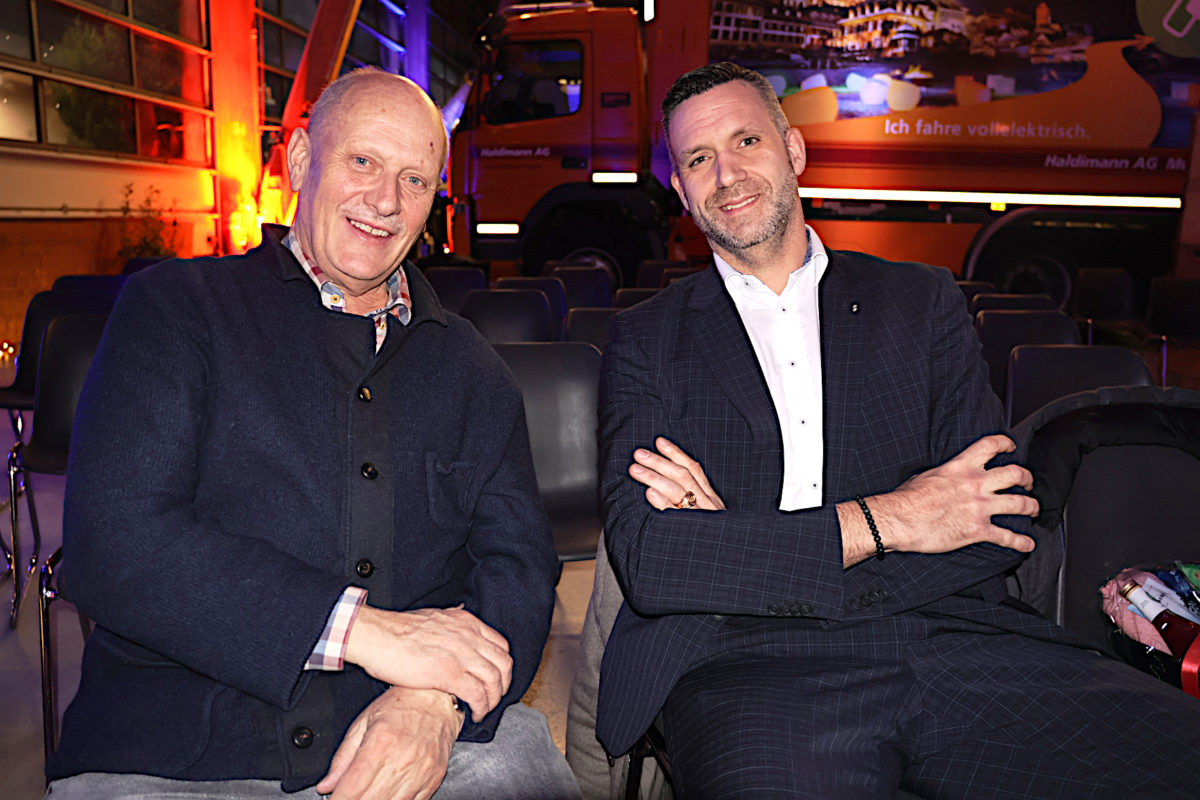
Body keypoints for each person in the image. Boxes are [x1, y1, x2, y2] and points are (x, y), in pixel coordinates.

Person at [594, 62, 1200, 799]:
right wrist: (897, 519)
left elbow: (996, 520)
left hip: (954, 638)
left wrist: (745, 548)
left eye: (746, 140)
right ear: (682, 193)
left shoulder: (921, 301)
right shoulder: (647, 338)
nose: (726, 174)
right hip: (746, 661)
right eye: (698, 159)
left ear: (793, 150)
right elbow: (655, 560)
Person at [46, 69, 580, 800]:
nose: (386, 201)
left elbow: (519, 566)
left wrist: (436, 700)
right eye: (363, 161)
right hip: (177, 747)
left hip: (417, 734)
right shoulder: (176, 311)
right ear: (302, 161)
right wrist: (367, 632)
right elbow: (114, 542)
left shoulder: (472, 369)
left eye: (415, 180)